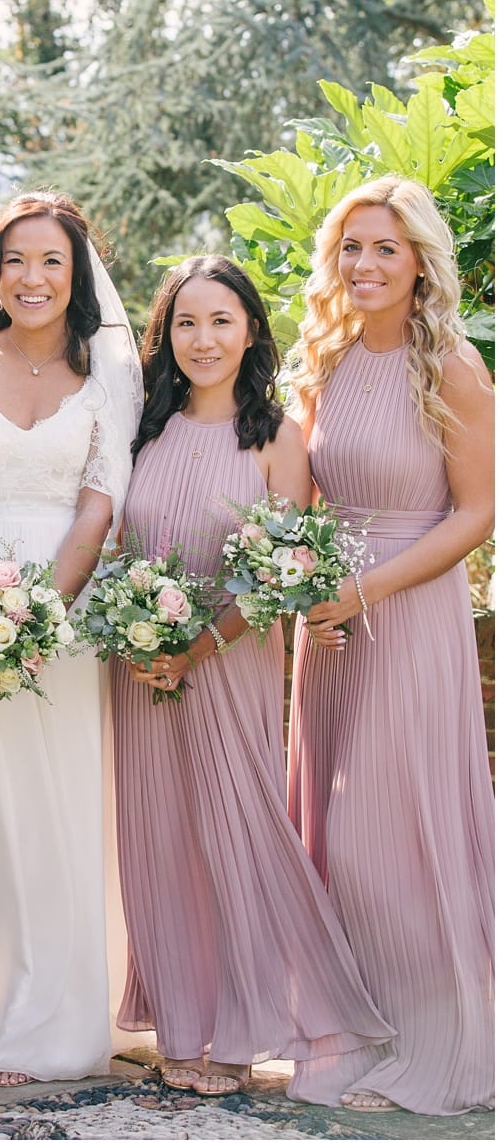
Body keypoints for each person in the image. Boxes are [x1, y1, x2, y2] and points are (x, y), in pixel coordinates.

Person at [112, 256, 394, 1098]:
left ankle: (240, 1036)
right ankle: (183, 1029)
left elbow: (277, 571)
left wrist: (199, 644)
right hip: (139, 667)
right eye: (186, 324)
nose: (203, 340)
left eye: (221, 321)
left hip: (227, 664)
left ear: (250, 332)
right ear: (165, 337)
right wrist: (136, 637)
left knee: (234, 836)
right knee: (158, 842)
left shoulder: (278, 438)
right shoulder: (142, 426)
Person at [0, 190, 142, 1087]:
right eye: (16, 260)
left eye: (51, 260)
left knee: (56, 806)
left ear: (78, 273)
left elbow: (101, 501)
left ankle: (52, 1014)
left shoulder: (110, 376)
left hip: (67, 613)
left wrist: (43, 609)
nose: (33, 277)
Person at [286, 176, 494, 1115]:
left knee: (388, 836)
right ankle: (359, 1034)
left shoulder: (446, 364)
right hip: (325, 623)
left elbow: (480, 510)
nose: (364, 266)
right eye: (351, 248)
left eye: (384, 249)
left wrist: (364, 588)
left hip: (406, 610)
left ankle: (434, 1044)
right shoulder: (322, 360)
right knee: (330, 835)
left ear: (419, 263)